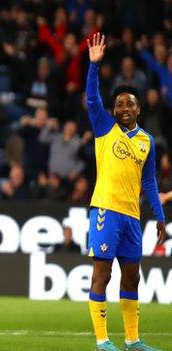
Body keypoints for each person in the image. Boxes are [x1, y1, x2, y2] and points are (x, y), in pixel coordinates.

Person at [85, 33, 167, 351]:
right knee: (102, 274)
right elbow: (92, 100)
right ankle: (103, 340)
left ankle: (132, 340)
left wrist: (159, 217)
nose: (123, 108)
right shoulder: (105, 128)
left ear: (138, 109)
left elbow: (150, 183)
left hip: (133, 216)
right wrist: (94, 66)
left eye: (128, 104)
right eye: (118, 104)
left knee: (132, 277)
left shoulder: (147, 141)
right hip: (106, 209)